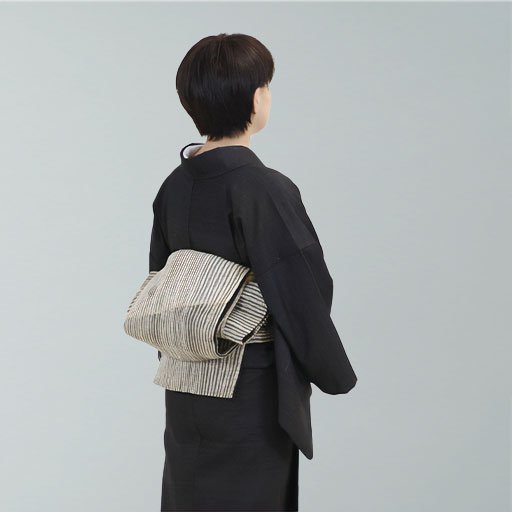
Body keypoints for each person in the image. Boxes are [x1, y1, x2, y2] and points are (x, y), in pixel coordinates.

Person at [149, 33, 358, 512]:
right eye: (267, 86)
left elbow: (162, 284)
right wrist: (332, 372)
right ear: (255, 97)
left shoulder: (173, 187)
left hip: (186, 383)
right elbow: (300, 289)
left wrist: (189, 345)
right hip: (248, 391)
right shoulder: (262, 187)